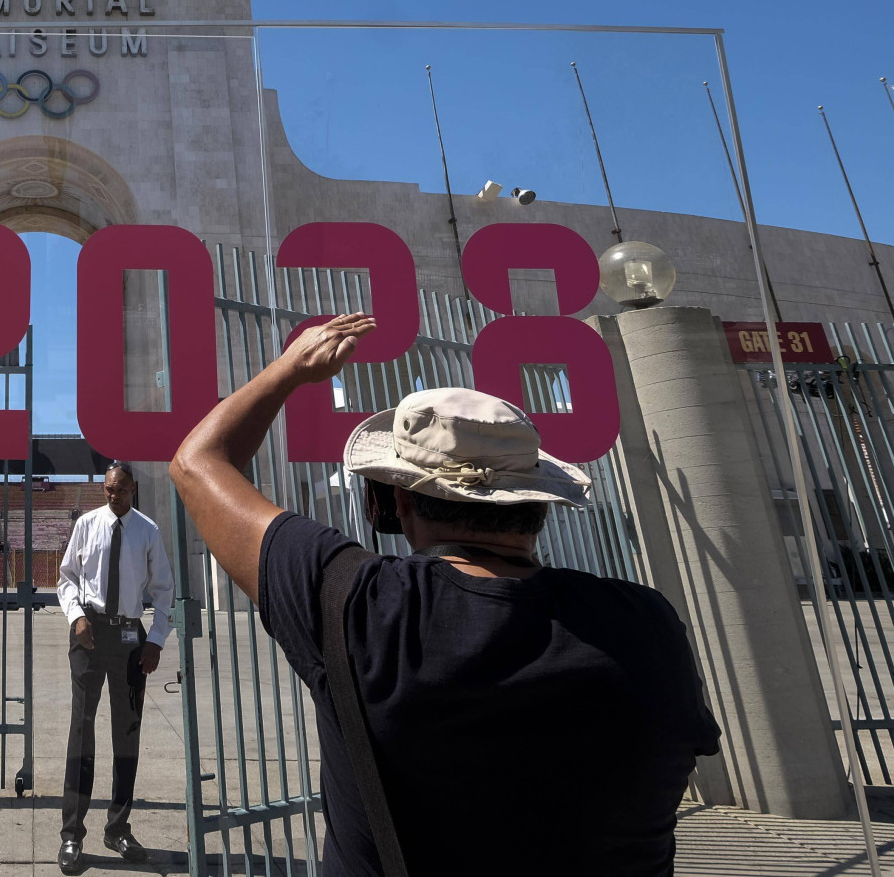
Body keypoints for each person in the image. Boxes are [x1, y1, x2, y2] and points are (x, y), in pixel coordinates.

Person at [169, 314, 722, 877]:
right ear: (538, 500)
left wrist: (293, 368)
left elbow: (197, 462)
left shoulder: (351, 602)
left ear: (397, 503)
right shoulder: (645, 622)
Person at [55, 462, 175, 874]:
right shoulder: (87, 525)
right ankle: (72, 835)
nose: (113, 496)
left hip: (128, 640)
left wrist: (156, 639)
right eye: (108, 490)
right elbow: (67, 577)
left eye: (120, 490)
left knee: (127, 735)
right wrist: (75, 617)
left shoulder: (148, 531)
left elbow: (164, 590)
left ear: (133, 489)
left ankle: (118, 827)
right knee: (81, 730)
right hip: (89, 635)